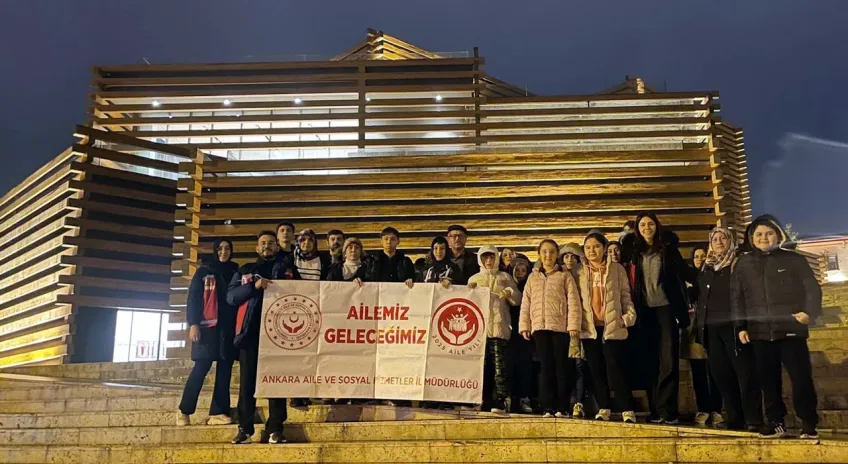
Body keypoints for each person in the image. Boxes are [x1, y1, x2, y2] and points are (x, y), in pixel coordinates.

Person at [732, 214, 821, 439]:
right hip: (760, 332)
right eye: (759, 234)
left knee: (801, 378)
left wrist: (809, 312)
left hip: (791, 329)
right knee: (768, 381)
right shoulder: (743, 263)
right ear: (752, 238)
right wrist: (740, 326)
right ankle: (775, 422)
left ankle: (808, 423)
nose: (764, 238)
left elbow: (811, 288)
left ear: (778, 235)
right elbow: (737, 297)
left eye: (769, 233)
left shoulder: (793, 260)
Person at [620, 212, 695, 425]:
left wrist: (705, 273)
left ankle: (668, 410)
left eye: (650, 224)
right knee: (649, 361)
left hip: (666, 309)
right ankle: (655, 408)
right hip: (644, 311)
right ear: (637, 228)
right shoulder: (632, 251)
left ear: (656, 226)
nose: (646, 227)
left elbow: (685, 272)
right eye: (642, 224)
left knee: (668, 360)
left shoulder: (668, 250)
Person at [227, 231, 300, 444]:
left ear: (277, 247)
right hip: (250, 336)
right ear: (257, 248)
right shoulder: (246, 270)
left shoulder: (289, 270)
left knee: (276, 384)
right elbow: (231, 297)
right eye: (263, 243)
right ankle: (245, 429)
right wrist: (253, 286)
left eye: (271, 243)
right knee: (247, 386)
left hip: (279, 337)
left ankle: (276, 428)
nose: (267, 246)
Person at [697, 227, 763, 432]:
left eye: (723, 238)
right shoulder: (707, 268)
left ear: (730, 241)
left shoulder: (738, 263)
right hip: (711, 329)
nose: (718, 241)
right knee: (722, 375)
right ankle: (735, 418)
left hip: (735, 327)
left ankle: (753, 418)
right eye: (714, 239)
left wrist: (745, 323)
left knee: (745, 374)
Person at [575, 231, 638, 423]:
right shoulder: (578, 271)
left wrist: (628, 316)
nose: (592, 250)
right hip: (590, 328)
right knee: (596, 369)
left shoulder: (616, 269)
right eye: (588, 248)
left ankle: (627, 408)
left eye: (596, 246)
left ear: (604, 248)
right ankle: (603, 407)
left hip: (613, 325)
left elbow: (625, 294)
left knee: (616, 368)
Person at [177, 239, 239, 427]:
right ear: (214, 251)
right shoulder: (204, 271)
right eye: (220, 249)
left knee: (224, 370)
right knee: (201, 368)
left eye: (227, 248)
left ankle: (218, 412)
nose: (224, 252)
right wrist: (193, 324)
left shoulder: (236, 271)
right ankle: (184, 411)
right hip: (206, 327)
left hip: (228, 328)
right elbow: (194, 298)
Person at [519, 239, 581, 418]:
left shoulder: (565, 275)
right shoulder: (533, 276)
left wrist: (573, 325)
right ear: (539, 254)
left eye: (552, 252)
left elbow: (573, 301)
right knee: (546, 367)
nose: (548, 256)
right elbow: (526, 302)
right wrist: (525, 325)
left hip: (560, 327)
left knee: (561, 367)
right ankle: (547, 406)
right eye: (544, 252)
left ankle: (562, 406)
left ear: (557, 254)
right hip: (539, 327)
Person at [468, 245, 522, 413]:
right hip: (479, 331)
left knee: (500, 367)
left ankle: (500, 400)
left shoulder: (504, 277)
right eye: (486, 258)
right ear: (481, 260)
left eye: (492, 258)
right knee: (481, 367)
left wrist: (509, 292)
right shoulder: (474, 278)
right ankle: (481, 399)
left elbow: (518, 299)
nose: (489, 261)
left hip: (499, 328)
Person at [682, 246, 723, 426]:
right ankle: (703, 409)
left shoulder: (715, 277)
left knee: (715, 373)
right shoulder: (688, 281)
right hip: (693, 333)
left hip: (712, 330)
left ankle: (716, 410)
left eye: (703, 256)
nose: (700, 259)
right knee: (698, 374)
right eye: (697, 256)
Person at [559, 241, 590, 417]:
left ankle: (579, 401)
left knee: (579, 365)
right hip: (561, 325)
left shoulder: (583, 274)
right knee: (565, 366)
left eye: (573, 256)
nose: (570, 259)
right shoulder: (558, 274)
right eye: (566, 256)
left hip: (581, 325)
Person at [508, 256, 535, 413]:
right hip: (509, 329)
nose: (519, 273)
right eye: (517, 270)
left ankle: (525, 398)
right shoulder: (506, 283)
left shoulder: (529, 286)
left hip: (526, 331)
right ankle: (511, 397)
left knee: (525, 364)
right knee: (510, 364)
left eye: (523, 270)